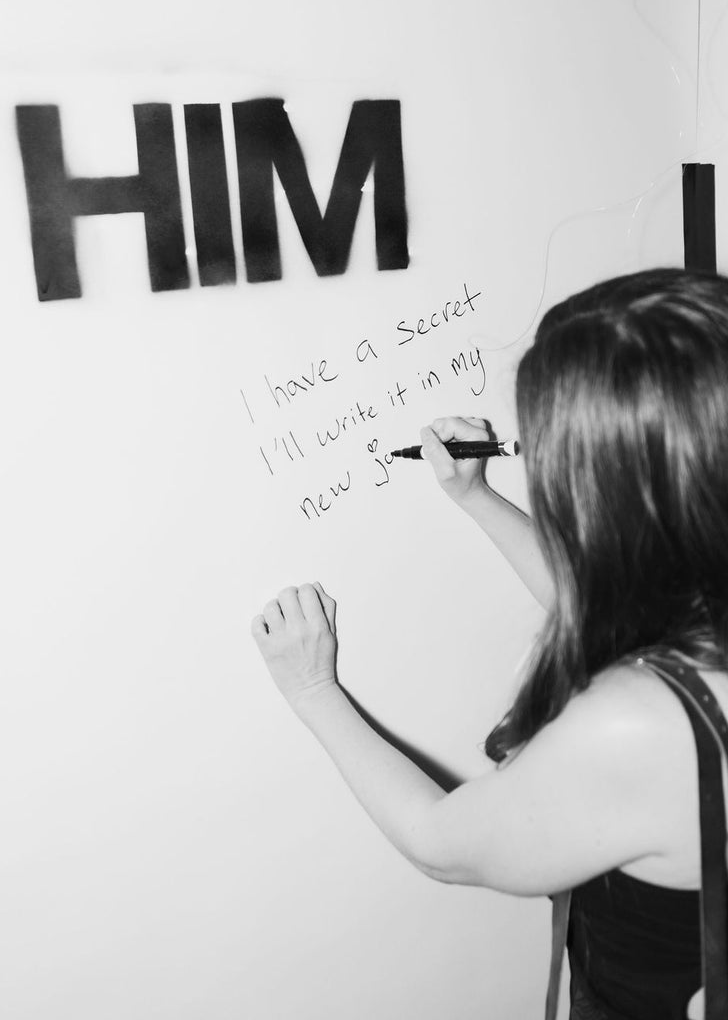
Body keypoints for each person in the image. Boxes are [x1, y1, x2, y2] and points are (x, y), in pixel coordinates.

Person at [251, 267, 728, 1020]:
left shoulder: (639, 727)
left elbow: (439, 843)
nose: (530, 457)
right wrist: (476, 496)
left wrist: (314, 690)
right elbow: (618, 615)